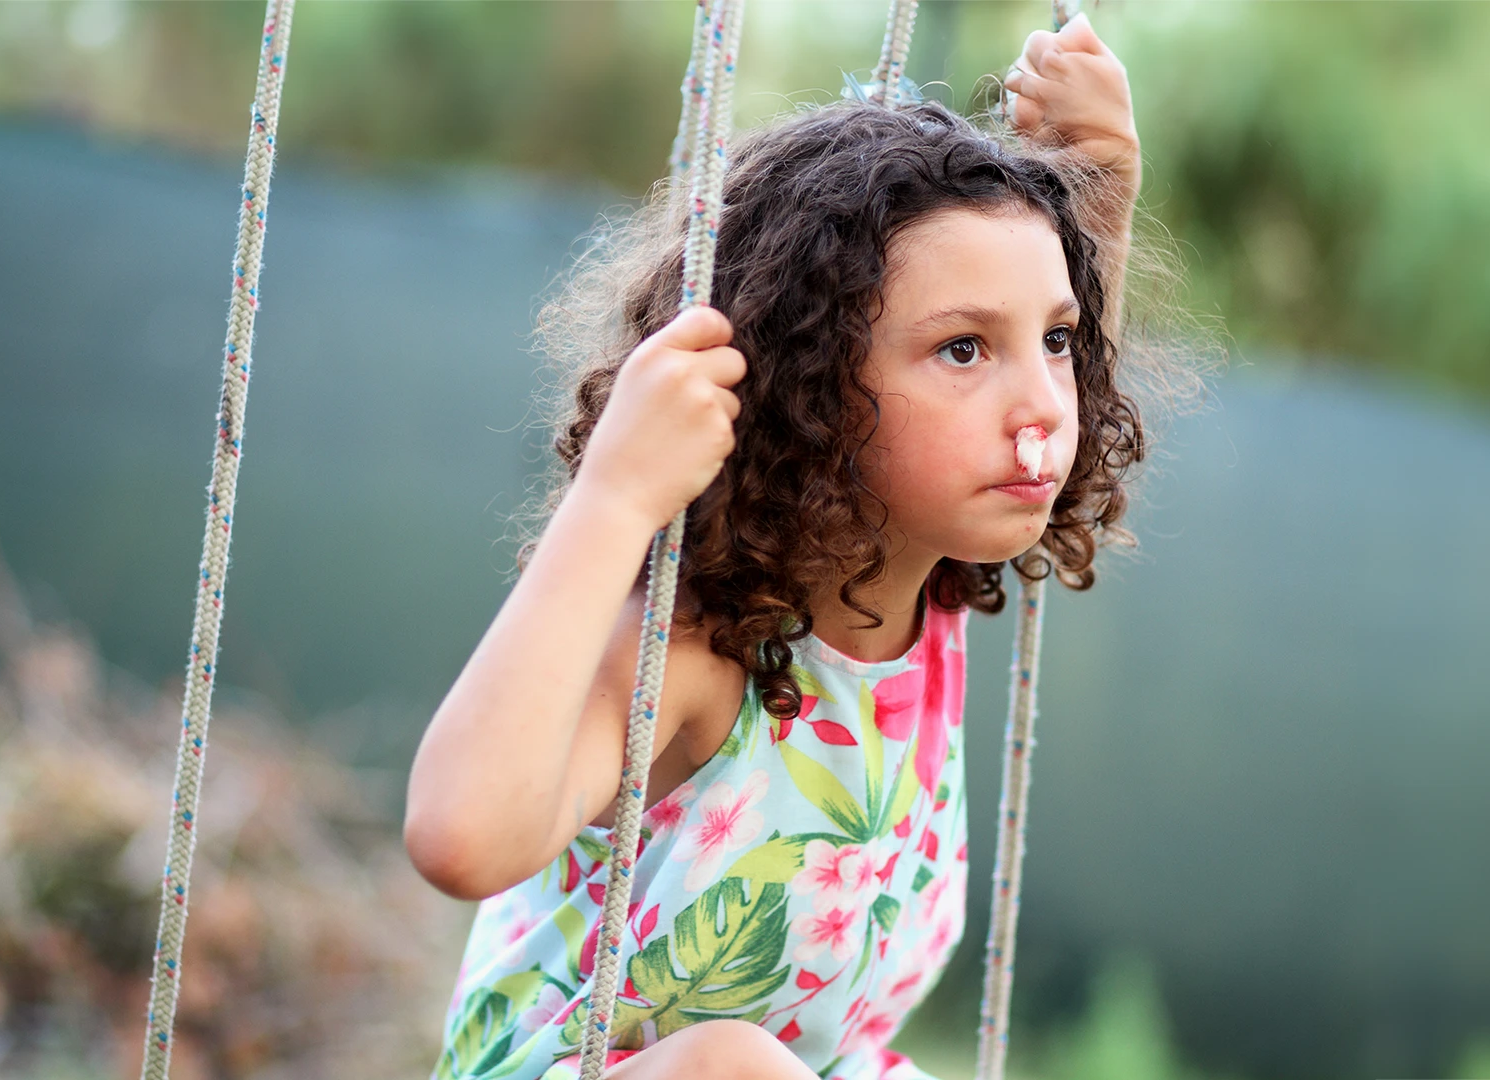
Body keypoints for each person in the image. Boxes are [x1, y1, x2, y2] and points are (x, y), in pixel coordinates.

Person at [406, 14, 1191, 1080]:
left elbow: (1039, 382)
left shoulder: (923, 584)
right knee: (730, 1066)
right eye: (963, 349)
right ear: (810, 388)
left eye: (1054, 342)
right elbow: (461, 838)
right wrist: (616, 498)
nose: (1043, 408)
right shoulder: (693, 655)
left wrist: (1099, 190)